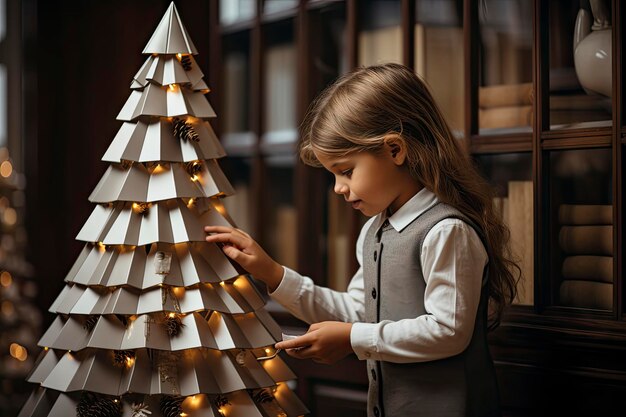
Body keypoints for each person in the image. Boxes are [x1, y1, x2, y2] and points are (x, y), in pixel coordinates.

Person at [205, 63, 519, 417]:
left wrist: (353, 338)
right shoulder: (373, 231)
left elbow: (448, 331)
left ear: (395, 150)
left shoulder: (447, 231)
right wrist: (272, 273)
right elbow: (357, 313)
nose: (338, 188)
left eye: (346, 171)